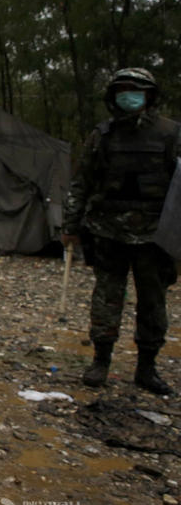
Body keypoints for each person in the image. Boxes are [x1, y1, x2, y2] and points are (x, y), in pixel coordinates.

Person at [62, 67, 180, 395]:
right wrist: (70, 226)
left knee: (153, 303)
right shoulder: (103, 136)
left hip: (155, 237)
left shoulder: (171, 135)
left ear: (149, 95)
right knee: (106, 299)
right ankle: (101, 360)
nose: (128, 96)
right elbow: (81, 182)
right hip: (107, 232)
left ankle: (147, 367)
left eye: (135, 90)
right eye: (122, 90)